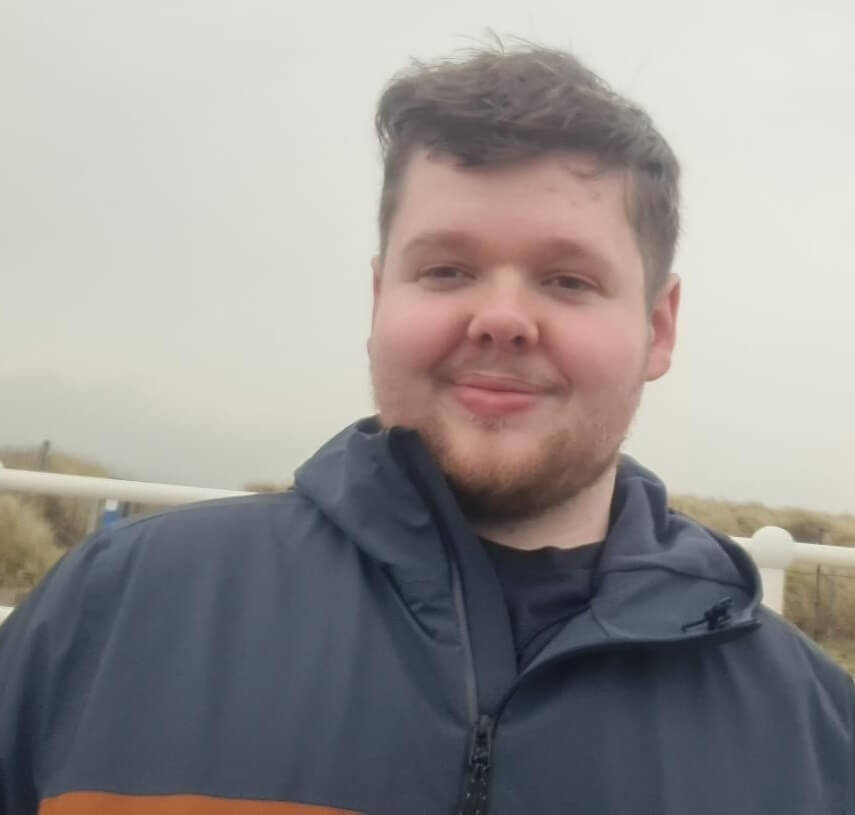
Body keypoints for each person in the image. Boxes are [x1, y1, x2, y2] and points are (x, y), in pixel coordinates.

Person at [1, 42, 852, 815]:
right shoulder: (109, 617)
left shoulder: (816, 737)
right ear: (379, 298)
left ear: (658, 328)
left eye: (566, 279)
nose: (501, 318)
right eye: (447, 268)